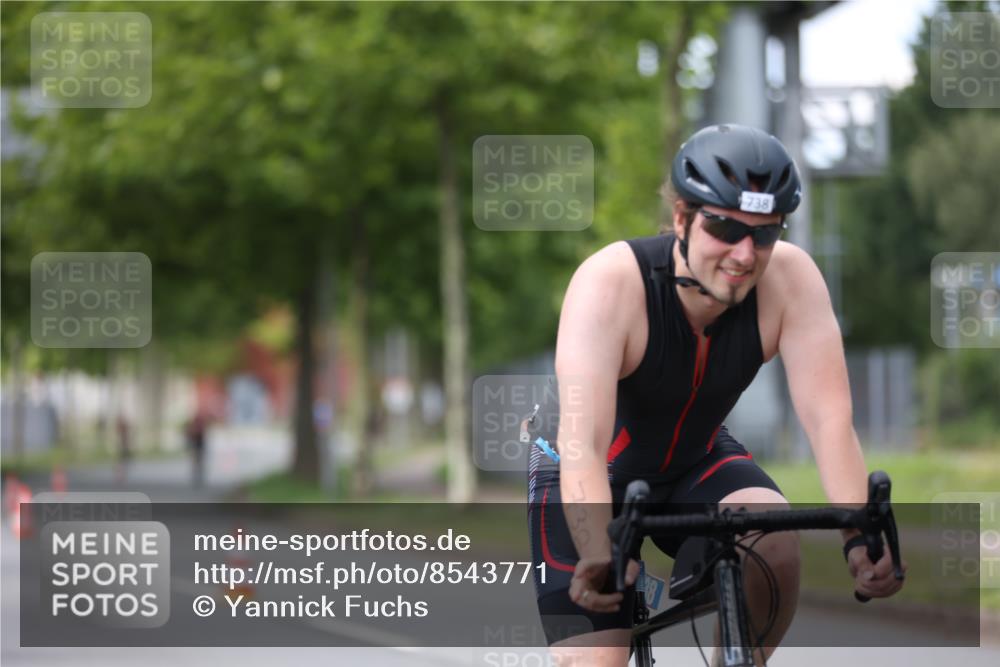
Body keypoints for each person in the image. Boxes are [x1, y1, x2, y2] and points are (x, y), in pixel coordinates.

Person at [527, 124, 906, 666]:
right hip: (582, 468)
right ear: (681, 217)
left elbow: (829, 420)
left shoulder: (792, 281)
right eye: (725, 227)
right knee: (598, 661)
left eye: (765, 234)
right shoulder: (611, 284)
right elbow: (583, 443)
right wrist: (597, 551)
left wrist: (858, 538)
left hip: (692, 459)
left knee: (773, 541)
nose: (745, 254)